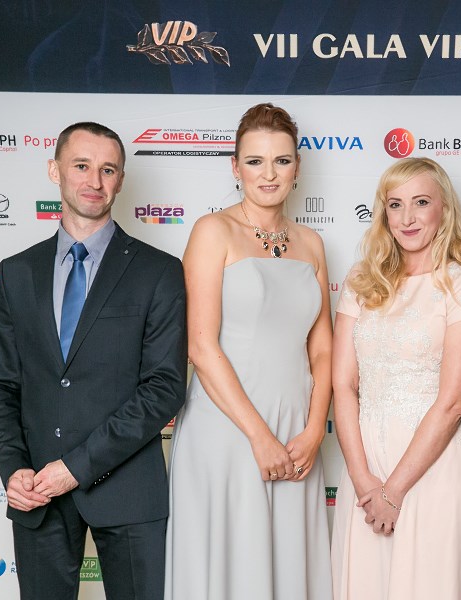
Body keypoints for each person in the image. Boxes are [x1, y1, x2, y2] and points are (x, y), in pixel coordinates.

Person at [0, 121, 188, 599]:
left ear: (121, 180)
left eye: (108, 169)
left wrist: (74, 467)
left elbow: (164, 387)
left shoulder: (158, 271)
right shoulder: (17, 272)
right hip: (36, 493)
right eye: (81, 166)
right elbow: (0, 384)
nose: (95, 181)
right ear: (55, 170)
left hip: (129, 493)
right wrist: (14, 469)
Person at [164, 103, 333, 599]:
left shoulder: (311, 243)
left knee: (288, 567)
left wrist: (313, 431)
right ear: (235, 167)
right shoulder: (212, 230)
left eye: (282, 160)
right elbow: (200, 345)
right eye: (255, 161)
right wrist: (259, 437)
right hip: (228, 429)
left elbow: (323, 349)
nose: (269, 174)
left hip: (296, 431)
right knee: (231, 567)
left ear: (297, 167)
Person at [330, 157, 461, 599]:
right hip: (366, 467)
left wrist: (394, 491)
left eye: (421, 202)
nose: (407, 217)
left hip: (433, 467)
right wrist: (364, 480)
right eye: (396, 204)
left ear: (443, 209)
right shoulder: (361, 281)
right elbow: (343, 385)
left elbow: (453, 402)